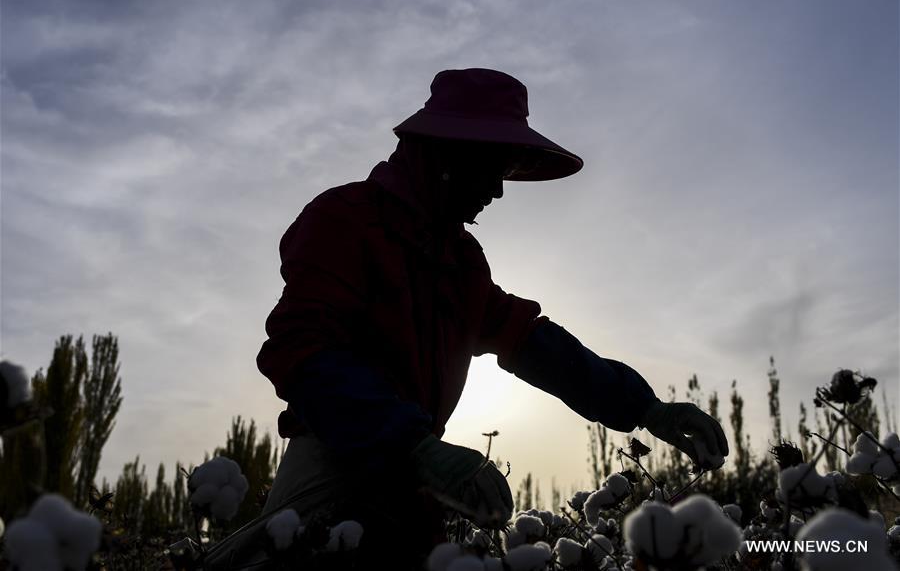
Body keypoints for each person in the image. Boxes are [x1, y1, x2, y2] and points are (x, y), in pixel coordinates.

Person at [202, 68, 729, 570]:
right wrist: (410, 442)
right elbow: (302, 350)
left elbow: (532, 342)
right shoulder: (344, 220)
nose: (498, 191)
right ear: (445, 155)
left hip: (419, 489)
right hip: (334, 468)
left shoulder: (461, 262)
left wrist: (646, 407)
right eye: (491, 169)